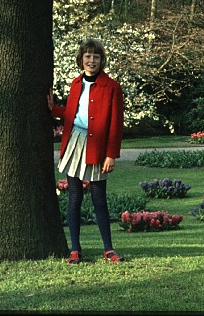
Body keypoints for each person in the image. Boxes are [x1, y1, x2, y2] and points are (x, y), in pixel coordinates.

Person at [47, 38, 125, 264]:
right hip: (75, 143)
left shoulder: (112, 87)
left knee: (99, 199)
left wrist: (111, 154)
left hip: (97, 147)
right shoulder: (75, 84)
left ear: (102, 60)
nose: (92, 61)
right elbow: (73, 114)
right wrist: (54, 109)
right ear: (81, 59)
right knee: (74, 198)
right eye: (88, 56)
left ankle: (108, 249)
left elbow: (116, 124)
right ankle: (75, 249)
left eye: (96, 57)